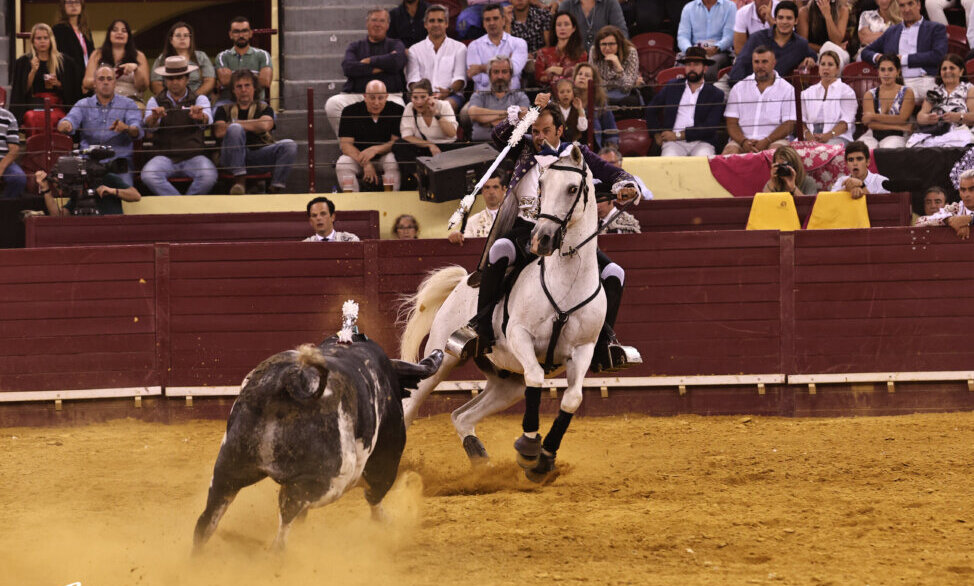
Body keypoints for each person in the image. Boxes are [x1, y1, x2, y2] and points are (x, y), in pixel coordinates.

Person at [448, 94, 641, 373]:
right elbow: (498, 134)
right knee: (500, 250)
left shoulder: (577, 155)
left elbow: (614, 173)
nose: (539, 136)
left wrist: (627, 185)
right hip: (526, 229)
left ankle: (603, 343)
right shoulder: (524, 148)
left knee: (615, 274)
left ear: (560, 130)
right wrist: (529, 113)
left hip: (567, 237)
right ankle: (481, 325)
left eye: (546, 130)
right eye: (535, 131)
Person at [141, 56, 218, 196]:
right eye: (170, 78)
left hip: (193, 156)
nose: (174, 82)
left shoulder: (200, 99)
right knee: (148, 175)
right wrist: (154, 118)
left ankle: (184, 205)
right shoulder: (155, 101)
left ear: (187, 79)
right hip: (164, 157)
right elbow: (149, 125)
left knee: (209, 176)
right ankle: (180, 205)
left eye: (179, 78)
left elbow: (208, 120)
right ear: (165, 80)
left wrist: (200, 117)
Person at [214, 69, 298, 195]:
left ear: (254, 88)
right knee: (235, 129)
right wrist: (251, 125)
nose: (243, 90)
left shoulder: (264, 108)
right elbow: (219, 131)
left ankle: (275, 189)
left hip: (257, 156)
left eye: (247, 85)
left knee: (289, 145)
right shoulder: (223, 109)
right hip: (230, 157)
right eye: (239, 86)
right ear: (233, 90)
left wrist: (235, 123)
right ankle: (239, 182)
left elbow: (265, 125)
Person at [325, 9, 407, 136]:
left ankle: (384, 145)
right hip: (356, 95)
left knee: (399, 107)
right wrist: (383, 65)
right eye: (374, 20)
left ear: (387, 25)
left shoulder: (396, 44)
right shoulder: (355, 46)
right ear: (367, 23)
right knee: (333, 104)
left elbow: (397, 62)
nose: (378, 24)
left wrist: (369, 61)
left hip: (389, 95)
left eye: (382, 21)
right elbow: (348, 68)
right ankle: (348, 144)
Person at [57, 65, 143, 185]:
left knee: (126, 193)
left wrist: (127, 128)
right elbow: (70, 119)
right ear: (94, 84)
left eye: (109, 79)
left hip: (118, 162)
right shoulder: (83, 104)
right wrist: (66, 124)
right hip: (89, 162)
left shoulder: (128, 104)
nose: (106, 82)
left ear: (115, 83)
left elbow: (137, 130)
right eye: (101, 79)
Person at [647, 47, 726, 157]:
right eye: (688, 64)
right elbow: (651, 109)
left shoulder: (715, 94)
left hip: (702, 142)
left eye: (696, 64)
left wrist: (679, 135)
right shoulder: (672, 86)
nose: (692, 68)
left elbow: (710, 127)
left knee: (703, 163)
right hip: (673, 142)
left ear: (705, 68)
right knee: (668, 163)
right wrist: (656, 134)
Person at [861, 0, 946, 99]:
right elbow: (866, 52)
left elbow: (938, 55)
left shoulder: (935, 28)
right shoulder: (892, 31)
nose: (906, 9)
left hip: (926, 80)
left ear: (918, 5)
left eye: (910, 4)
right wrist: (878, 57)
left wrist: (903, 59)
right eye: (902, 6)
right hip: (899, 82)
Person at [723, 46, 797, 154]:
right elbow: (731, 123)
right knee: (729, 152)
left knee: (777, 152)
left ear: (774, 63)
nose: (760, 66)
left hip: (776, 140)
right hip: (742, 141)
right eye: (756, 62)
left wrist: (767, 141)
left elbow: (789, 123)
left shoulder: (787, 89)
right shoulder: (739, 88)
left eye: (764, 62)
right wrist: (744, 142)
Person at [10, 23, 82, 132]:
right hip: (34, 105)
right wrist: (33, 71)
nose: (42, 41)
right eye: (39, 38)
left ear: (51, 40)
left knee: (54, 118)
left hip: (57, 105)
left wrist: (58, 83)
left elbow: (72, 90)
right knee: (32, 117)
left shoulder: (65, 61)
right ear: (33, 41)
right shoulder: (23, 62)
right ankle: (35, 148)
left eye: (45, 38)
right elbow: (21, 91)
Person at [336, 80, 404, 192]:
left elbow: (395, 143)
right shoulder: (350, 111)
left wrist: (375, 149)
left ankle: (391, 200)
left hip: (384, 156)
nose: (376, 103)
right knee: (343, 163)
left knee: (393, 160)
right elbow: (345, 145)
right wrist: (366, 163)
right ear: (365, 96)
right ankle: (352, 205)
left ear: (386, 96)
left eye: (380, 98)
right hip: (359, 157)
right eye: (372, 98)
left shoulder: (397, 110)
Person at [729, 1, 816, 83]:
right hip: (750, 86)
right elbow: (740, 66)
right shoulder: (757, 38)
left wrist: (810, 59)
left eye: (789, 18)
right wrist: (742, 88)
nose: (784, 22)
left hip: (777, 91)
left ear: (796, 21)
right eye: (780, 18)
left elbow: (812, 55)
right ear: (775, 20)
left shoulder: (800, 44)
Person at [405, 4, 468, 113]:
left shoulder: (459, 48)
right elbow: (412, 80)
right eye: (432, 21)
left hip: (451, 96)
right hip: (420, 96)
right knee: (417, 105)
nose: (436, 24)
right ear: (425, 24)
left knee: (444, 106)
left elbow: (460, 79)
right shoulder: (414, 50)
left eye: (440, 21)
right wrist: (425, 96)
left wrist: (448, 91)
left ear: (446, 24)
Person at [907, 54, 974, 148]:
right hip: (935, 132)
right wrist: (928, 118)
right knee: (913, 144)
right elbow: (920, 116)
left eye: (952, 68)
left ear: (961, 71)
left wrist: (959, 117)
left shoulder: (970, 89)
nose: (948, 71)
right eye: (944, 69)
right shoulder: (934, 92)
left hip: (959, 132)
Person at [466, 4, 529, 94]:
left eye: (495, 18)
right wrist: (505, 70)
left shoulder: (519, 43)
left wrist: (482, 68)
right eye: (487, 20)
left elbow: (514, 69)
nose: (491, 23)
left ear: (503, 20)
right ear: (483, 23)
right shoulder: (474, 46)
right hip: (483, 97)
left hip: (512, 96)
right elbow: (478, 78)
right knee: (469, 109)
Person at [82, 19, 150, 104]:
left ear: (128, 36)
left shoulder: (139, 56)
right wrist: (106, 77)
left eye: (124, 31)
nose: (119, 33)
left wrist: (136, 70)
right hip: (102, 101)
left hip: (132, 102)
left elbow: (143, 86)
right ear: (109, 34)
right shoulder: (97, 54)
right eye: (115, 30)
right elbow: (86, 82)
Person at [467, 57, 531, 142]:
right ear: (489, 74)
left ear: (510, 74)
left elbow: (523, 116)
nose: (500, 76)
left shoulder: (520, 96)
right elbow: (474, 113)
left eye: (504, 72)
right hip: (480, 147)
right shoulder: (479, 95)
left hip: (511, 147)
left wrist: (487, 120)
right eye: (496, 72)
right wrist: (511, 114)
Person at [859, 53, 915, 149]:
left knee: (888, 148)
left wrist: (873, 116)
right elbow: (871, 124)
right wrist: (899, 126)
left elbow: (901, 119)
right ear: (878, 72)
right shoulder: (869, 94)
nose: (886, 74)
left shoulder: (907, 92)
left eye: (890, 69)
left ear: (898, 72)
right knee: (862, 149)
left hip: (898, 135)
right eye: (883, 70)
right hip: (872, 135)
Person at [800, 50, 857, 145]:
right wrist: (807, 134)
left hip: (837, 136)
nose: (826, 68)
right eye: (823, 64)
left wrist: (829, 135)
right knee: (791, 152)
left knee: (823, 151)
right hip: (810, 136)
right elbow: (800, 120)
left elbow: (846, 121)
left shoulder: (847, 91)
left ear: (837, 69)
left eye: (830, 64)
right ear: (818, 68)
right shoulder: (807, 93)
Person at [215, 16, 274, 107]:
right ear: (230, 34)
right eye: (236, 32)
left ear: (250, 33)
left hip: (256, 102)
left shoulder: (263, 54)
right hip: (228, 102)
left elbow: (265, 81)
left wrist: (234, 75)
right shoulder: (222, 56)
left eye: (244, 31)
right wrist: (255, 75)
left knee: (269, 118)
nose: (241, 35)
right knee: (216, 113)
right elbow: (225, 80)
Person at [35, 166, 140, 216]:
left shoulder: (107, 178)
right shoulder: (78, 190)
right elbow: (58, 217)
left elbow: (136, 196)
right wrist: (46, 189)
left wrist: (112, 191)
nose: (60, 189)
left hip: (113, 229)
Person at [150, 22, 216, 97]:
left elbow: (209, 81)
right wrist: (170, 99)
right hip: (168, 102)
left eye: (186, 35)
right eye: (178, 35)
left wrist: (193, 97)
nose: (182, 38)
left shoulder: (201, 56)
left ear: (190, 39)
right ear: (171, 40)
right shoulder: (162, 59)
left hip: (197, 100)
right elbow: (156, 84)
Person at [677, 0, 737, 81]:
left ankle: (708, 92)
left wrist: (717, 48)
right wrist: (690, 49)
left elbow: (730, 36)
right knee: (680, 69)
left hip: (719, 51)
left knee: (710, 66)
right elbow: (683, 36)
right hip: (694, 50)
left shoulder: (730, 6)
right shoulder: (689, 7)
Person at [400, 78, 458, 158]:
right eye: (415, 97)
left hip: (446, 146)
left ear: (431, 96)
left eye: (423, 97)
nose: (419, 102)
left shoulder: (444, 105)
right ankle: (415, 171)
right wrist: (430, 145)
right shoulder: (410, 107)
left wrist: (436, 113)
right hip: (425, 147)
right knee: (400, 145)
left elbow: (452, 134)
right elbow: (406, 136)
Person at [589, 26, 642, 107]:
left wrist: (619, 68)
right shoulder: (594, 51)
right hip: (602, 94)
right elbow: (595, 84)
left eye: (611, 44)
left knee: (630, 101)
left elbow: (627, 88)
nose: (607, 48)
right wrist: (616, 84)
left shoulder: (631, 52)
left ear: (619, 44)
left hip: (624, 95)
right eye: (603, 44)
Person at [534, 11, 587, 89]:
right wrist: (567, 73)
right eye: (559, 25)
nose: (562, 28)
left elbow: (581, 75)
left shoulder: (581, 54)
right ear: (555, 29)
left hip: (574, 93)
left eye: (566, 24)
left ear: (573, 28)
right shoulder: (543, 53)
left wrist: (559, 71)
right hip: (548, 94)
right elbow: (539, 77)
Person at [449, 171, 506, 244]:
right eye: (487, 187)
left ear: (504, 189)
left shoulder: (515, 217)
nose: (491, 192)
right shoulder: (472, 221)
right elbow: (467, 248)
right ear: (482, 191)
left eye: (495, 187)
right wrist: (457, 236)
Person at [914, 169, 974, 238]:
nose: (966, 194)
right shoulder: (956, 209)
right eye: (963, 190)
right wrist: (949, 220)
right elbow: (920, 221)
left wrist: (969, 219)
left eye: (972, 189)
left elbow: (965, 220)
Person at [573, 63, 619, 150]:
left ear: (594, 81)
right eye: (580, 74)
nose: (582, 77)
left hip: (594, 151)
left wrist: (610, 152)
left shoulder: (600, 103)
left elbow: (611, 132)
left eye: (587, 76)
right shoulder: (566, 99)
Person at [557, 0, 629, 51]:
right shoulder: (566, 5)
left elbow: (621, 33)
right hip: (574, 58)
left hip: (603, 56)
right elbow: (557, 35)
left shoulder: (611, 3)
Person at [798, 0, 851, 67]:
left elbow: (836, 40)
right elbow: (803, 44)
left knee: (835, 57)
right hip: (815, 53)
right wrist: (828, 48)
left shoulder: (842, 10)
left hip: (838, 53)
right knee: (827, 50)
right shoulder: (804, 12)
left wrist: (827, 15)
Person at [52, 0, 94, 69]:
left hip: (87, 74)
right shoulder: (58, 30)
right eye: (69, 2)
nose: (73, 5)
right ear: (63, 6)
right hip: (70, 74)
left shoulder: (86, 30)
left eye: (77, 2)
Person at [0, 107, 26, 199]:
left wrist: (1, 167)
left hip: (4, 159)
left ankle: (5, 206)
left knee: (19, 178)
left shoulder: (8, 116)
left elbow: (14, 149)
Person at [553, 78, 588, 142]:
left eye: (568, 91)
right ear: (557, 94)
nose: (565, 94)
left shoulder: (577, 109)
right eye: (562, 92)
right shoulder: (554, 108)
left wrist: (580, 109)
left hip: (574, 144)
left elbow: (583, 128)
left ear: (573, 94)